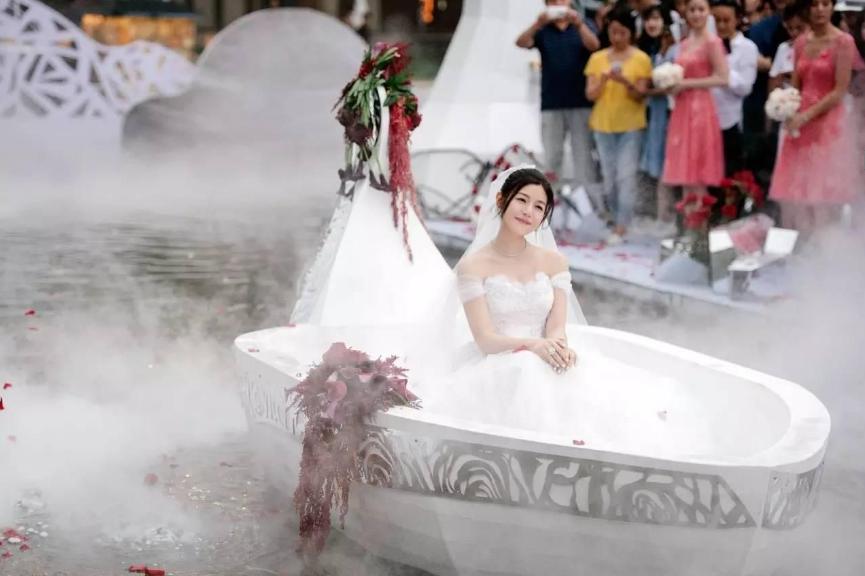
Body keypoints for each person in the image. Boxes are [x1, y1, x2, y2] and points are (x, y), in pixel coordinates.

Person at [769, 0, 862, 232]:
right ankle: (803, 242)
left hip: (827, 121)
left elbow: (839, 90)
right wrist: (786, 106)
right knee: (799, 191)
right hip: (800, 121)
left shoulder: (843, 41)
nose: (820, 9)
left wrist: (807, 115)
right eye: (814, 4)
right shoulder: (801, 42)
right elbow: (796, 86)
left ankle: (825, 245)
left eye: (825, 3)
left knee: (822, 192)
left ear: (832, 7)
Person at [585, 6, 653, 243]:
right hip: (603, 125)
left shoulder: (641, 59)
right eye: (613, 32)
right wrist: (604, 79)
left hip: (631, 126)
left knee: (627, 176)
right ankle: (615, 219)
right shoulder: (597, 59)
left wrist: (625, 81)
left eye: (622, 32)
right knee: (609, 175)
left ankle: (623, 224)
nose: (617, 37)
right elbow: (590, 94)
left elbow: (641, 95)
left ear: (631, 33)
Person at [516, 0, 601, 188]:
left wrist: (578, 24)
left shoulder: (584, 24)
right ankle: (552, 197)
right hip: (551, 103)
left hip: (581, 102)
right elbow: (521, 42)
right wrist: (538, 23)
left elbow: (594, 45)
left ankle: (586, 199)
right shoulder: (543, 29)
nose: (558, 3)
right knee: (553, 156)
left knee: (584, 155)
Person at [662, 0, 730, 199]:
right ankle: (688, 213)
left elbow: (723, 78)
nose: (696, 14)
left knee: (698, 168)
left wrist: (686, 84)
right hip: (682, 107)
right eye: (692, 10)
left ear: (708, 13)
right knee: (685, 170)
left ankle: (700, 214)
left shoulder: (713, 42)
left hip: (701, 107)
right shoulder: (684, 44)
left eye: (701, 9)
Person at [639, 4, 680, 228]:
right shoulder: (654, 51)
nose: (652, 24)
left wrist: (646, 91)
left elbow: (670, 86)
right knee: (658, 163)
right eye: (648, 19)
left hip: (670, 113)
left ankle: (668, 215)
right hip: (655, 114)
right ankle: (661, 213)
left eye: (656, 19)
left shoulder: (676, 51)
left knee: (668, 163)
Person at [711, 0, 759, 176]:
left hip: (730, 121)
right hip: (703, 118)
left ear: (737, 19)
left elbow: (745, 87)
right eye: (716, 20)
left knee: (728, 176)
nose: (721, 25)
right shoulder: (704, 44)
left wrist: (722, 68)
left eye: (726, 20)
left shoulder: (748, 48)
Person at [769, 2, 811, 91]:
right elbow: (773, 80)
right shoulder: (783, 48)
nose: (794, 33)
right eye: (790, 28)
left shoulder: (820, 48)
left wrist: (793, 76)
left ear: (811, 25)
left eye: (799, 28)